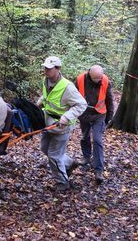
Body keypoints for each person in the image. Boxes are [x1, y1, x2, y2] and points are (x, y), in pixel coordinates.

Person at [37, 56, 87, 192]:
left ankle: (62, 183)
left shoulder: (67, 87)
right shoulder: (46, 80)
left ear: (58, 69)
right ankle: (69, 163)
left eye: (49, 68)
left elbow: (82, 104)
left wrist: (66, 117)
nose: (46, 71)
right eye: (45, 68)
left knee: (54, 156)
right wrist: (39, 102)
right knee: (44, 148)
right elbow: (48, 95)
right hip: (47, 124)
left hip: (61, 127)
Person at [75, 65, 114, 184]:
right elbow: (72, 96)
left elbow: (109, 100)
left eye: (100, 77)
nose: (100, 80)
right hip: (84, 114)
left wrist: (109, 118)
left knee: (97, 140)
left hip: (99, 115)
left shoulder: (105, 81)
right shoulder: (80, 80)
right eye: (97, 78)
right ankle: (86, 157)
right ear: (90, 76)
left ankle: (98, 170)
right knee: (84, 136)